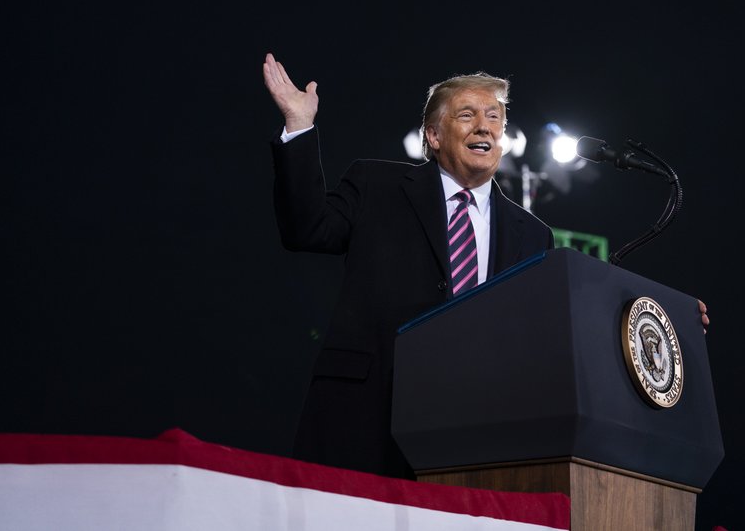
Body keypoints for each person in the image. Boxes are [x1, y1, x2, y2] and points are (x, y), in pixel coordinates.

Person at [262, 53, 710, 479]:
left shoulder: (533, 235)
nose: (485, 126)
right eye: (467, 115)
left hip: (474, 435)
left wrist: (658, 321)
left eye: (495, 117)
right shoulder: (375, 185)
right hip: (367, 415)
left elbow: (548, 334)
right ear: (434, 136)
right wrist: (299, 126)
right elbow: (306, 229)